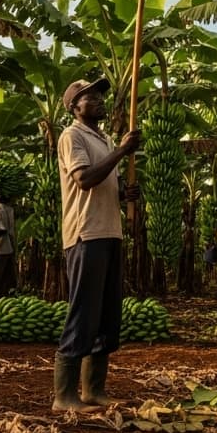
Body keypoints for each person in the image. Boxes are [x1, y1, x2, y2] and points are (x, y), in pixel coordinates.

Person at [53, 77, 141, 412]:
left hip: (109, 231)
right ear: (75, 107)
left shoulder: (101, 139)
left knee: (106, 316)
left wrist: (124, 194)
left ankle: (93, 390)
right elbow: (85, 179)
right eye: (90, 97)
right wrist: (122, 150)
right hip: (85, 234)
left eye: (100, 96)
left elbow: (105, 186)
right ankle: (64, 396)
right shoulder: (71, 135)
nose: (99, 100)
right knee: (83, 313)